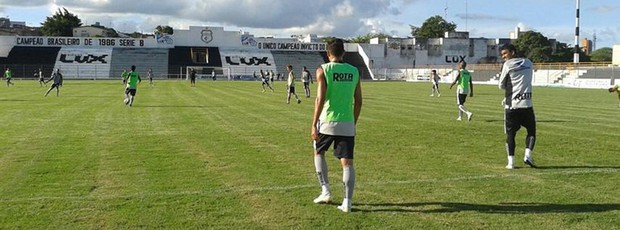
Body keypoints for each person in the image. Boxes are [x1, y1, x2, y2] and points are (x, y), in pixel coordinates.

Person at [311, 38, 362, 213]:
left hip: (327, 121)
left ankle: (325, 191)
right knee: (347, 163)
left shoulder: (323, 70)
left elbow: (320, 99)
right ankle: (347, 202)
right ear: (344, 53)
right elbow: (359, 101)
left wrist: (313, 124)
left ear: (328, 53)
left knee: (318, 152)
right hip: (347, 122)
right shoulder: (354, 71)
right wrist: (352, 122)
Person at [499, 44, 537, 169]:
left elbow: (501, 84)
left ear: (513, 52)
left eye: (505, 53)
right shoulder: (529, 63)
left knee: (510, 135)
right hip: (527, 104)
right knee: (531, 131)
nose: (504, 57)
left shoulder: (508, 65)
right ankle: (528, 156)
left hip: (512, 105)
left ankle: (511, 163)